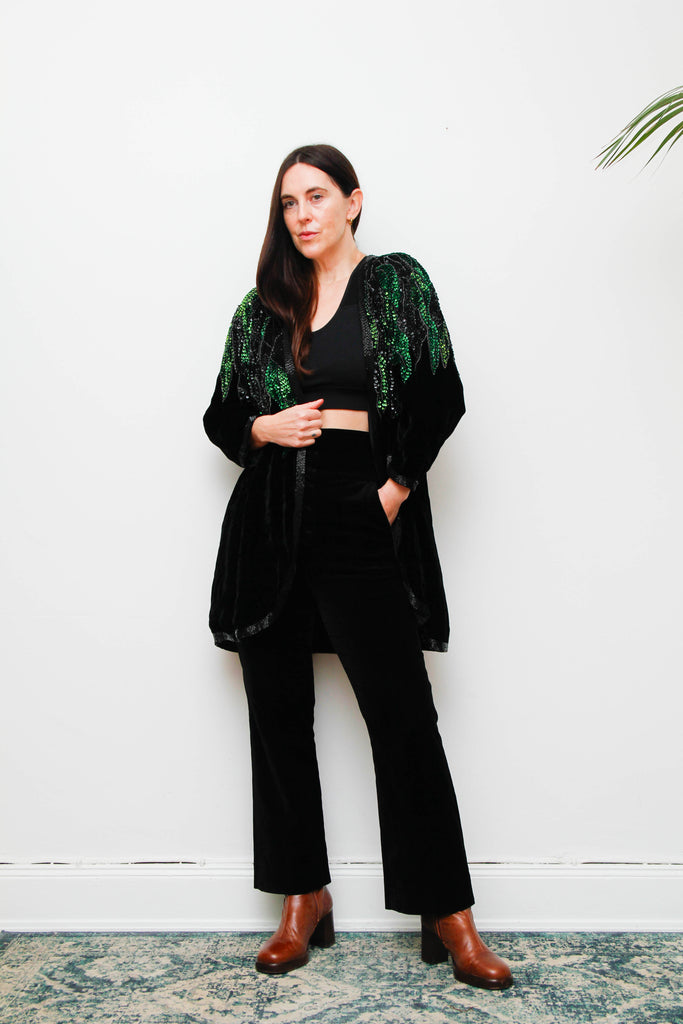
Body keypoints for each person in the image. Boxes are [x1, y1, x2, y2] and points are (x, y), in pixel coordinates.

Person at [203, 144, 513, 991]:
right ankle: (303, 897)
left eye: (316, 196)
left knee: (402, 716)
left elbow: (440, 392)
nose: (301, 215)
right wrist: (261, 429)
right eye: (288, 203)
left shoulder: (397, 284)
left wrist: (393, 489)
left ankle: (447, 912)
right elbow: (221, 412)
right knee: (277, 714)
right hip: (271, 514)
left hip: (358, 503)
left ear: (352, 201)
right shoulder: (261, 307)